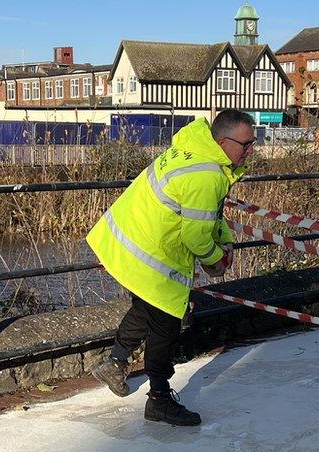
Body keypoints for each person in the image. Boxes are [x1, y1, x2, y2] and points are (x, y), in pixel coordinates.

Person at [86, 109, 256, 426]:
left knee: (147, 307)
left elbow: (206, 216)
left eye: (253, 143)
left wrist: (224, 240)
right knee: (165, 325)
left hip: (130, 240)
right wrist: (216, 259)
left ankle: (114, 362)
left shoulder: (197, 152)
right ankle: (160, 400)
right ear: (223, 141)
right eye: (245, 144)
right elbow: (195, 235)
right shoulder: (207, 174)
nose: (251, 150)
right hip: (152, 250)